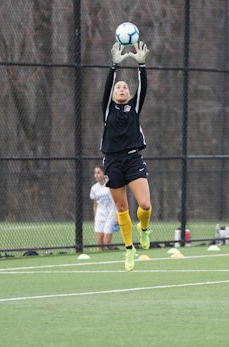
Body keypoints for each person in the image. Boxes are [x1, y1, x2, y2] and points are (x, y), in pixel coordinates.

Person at [100, 41, 152, 272]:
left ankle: (144, 228)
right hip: (112, 162)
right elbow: (108, 85)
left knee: (145, 204)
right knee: (122, 209)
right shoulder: (108, 109)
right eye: (118, 87)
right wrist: (114, 66)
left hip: (133, 159)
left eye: (125, 87)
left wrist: (140, 65)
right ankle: (130, 249)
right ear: (112, 95)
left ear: (129, 94)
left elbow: (144, 88)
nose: (121, 89)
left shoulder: (135, 108)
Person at [89, 165, 117, 252]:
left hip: (110, 215)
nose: (96, 175)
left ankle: (115, 248)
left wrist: (117, 216)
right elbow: (95, 204)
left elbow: (117, 201)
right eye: (95, 173)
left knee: (106, 241)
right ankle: (100, 259)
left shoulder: (110, 185)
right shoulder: (94, 188)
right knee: (99, 242)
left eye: (98, 173)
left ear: (104, 173)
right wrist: (95, 216)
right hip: (100, 216)